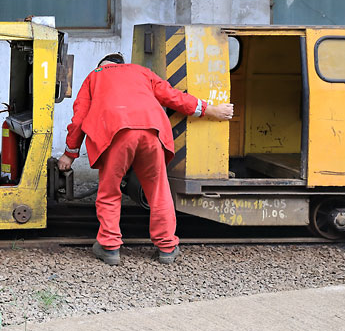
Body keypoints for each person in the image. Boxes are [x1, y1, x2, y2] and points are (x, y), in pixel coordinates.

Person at [57, 53, 234, 266]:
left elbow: (79, 119)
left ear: (102, 65)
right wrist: (211, 110)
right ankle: (167, 248)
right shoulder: (141, 72)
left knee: (109, 191)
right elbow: (173, 97)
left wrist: (70, 154)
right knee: (158, 190)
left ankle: (110, 247)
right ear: (122, 65)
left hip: (115, 134)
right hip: (152, 131)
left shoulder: (95, 75)